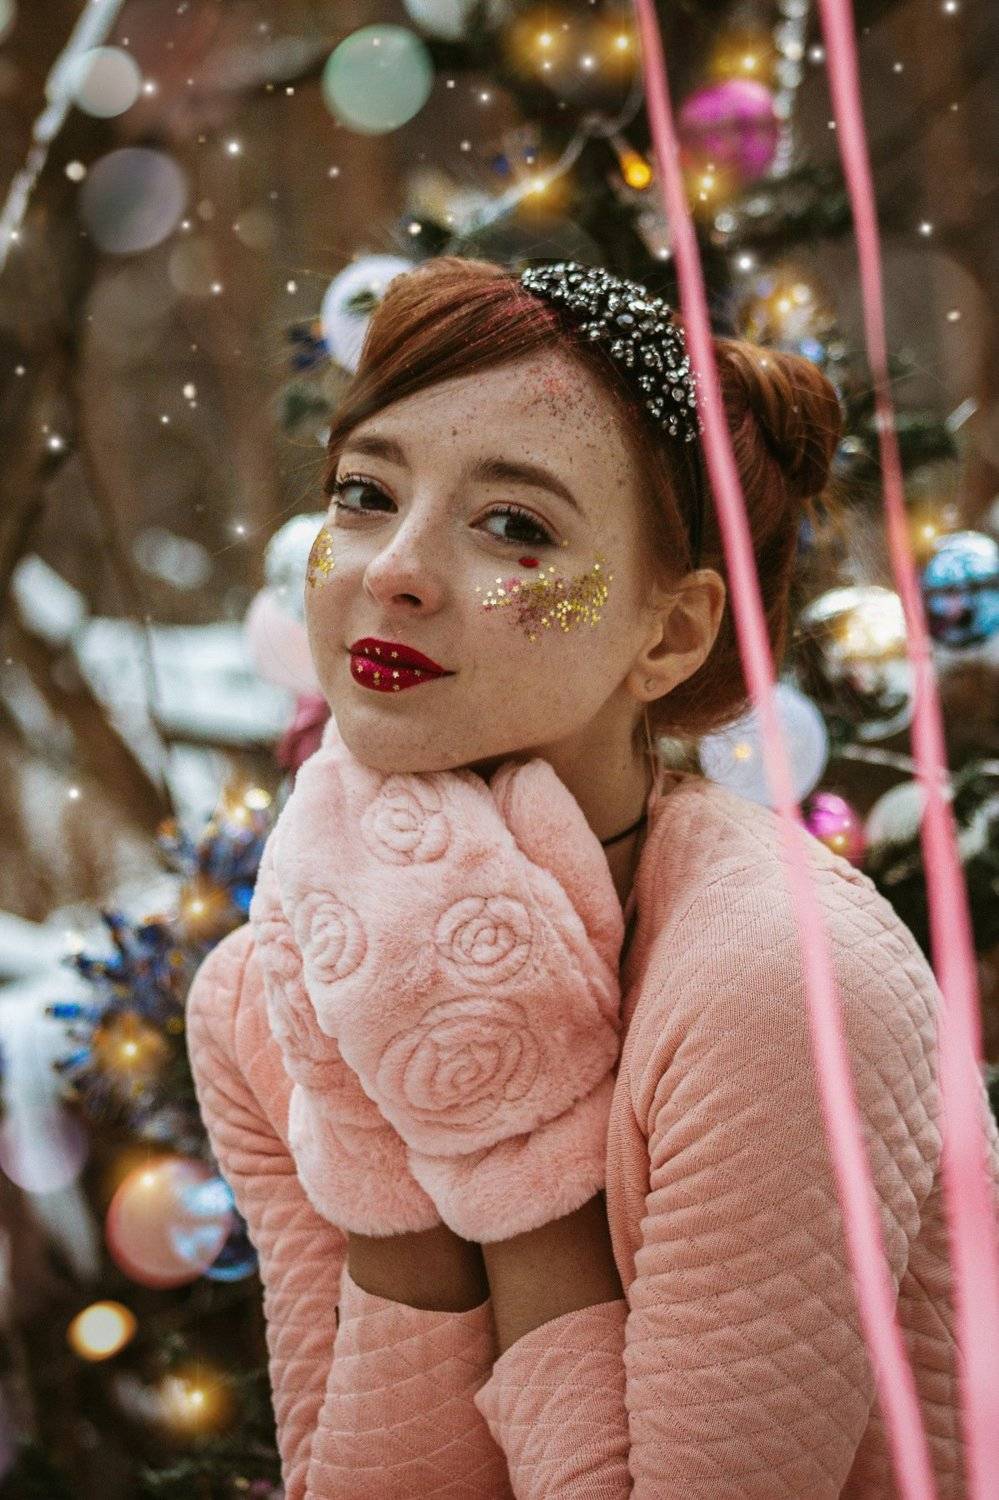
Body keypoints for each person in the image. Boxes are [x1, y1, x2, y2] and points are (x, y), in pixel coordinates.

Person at [185, 256, 999, 1499]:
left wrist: (519, 1146)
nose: (393, 567)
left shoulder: (779, 984)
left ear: (672, 633)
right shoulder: (264, 989)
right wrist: (377, 1128)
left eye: (515, 525)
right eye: (364, 493)